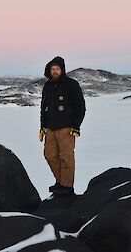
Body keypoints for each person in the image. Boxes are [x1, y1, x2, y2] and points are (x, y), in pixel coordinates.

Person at [39, 56, 86, 197]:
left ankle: (67, 186)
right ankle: (60, 182)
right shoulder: (47, 86)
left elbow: (80, 106)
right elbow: (44, 108)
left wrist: (76, 126)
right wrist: (42, 126)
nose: (55, 71)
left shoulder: (71, 84)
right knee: (49, 155)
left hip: (66, 128)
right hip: (51, 128)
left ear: (62, 70)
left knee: (66, 157)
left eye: (57, 69)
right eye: (52, 69)